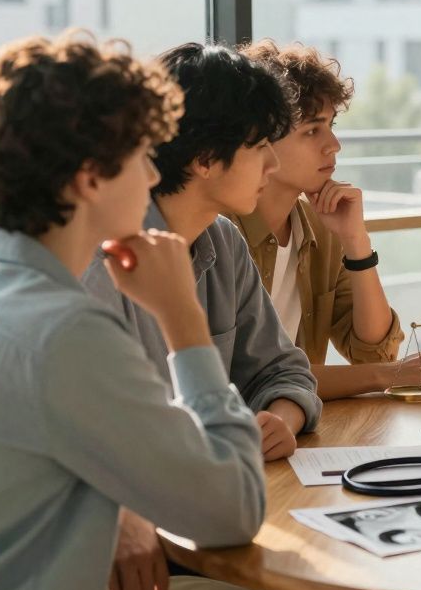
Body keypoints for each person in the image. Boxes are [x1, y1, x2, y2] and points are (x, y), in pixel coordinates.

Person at [0, 33, 272, 590]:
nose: (155, 179)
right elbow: (232, 510)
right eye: (142, 158)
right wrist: (184, 319)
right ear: (91, 177)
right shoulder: (64, 333)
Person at [83, 42, 321, 457]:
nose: (273, 165)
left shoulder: (223, 241)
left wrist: (281, 420)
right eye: (260, 145)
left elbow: (281, 370)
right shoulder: (101, 266)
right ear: (206, 159)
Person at [235, 40, 421, 398]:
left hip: (300, 428)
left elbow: (374, 350)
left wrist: (356, 242)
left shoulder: (320, 226)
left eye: (332, 125)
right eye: (312, 130)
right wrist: (387, 375)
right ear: (261, 139)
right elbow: (253, 379)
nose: (334, 144)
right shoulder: (221, 236)